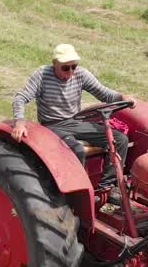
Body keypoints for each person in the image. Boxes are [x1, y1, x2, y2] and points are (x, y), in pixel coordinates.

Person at [11, 43, 132, 195]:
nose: (70, 72)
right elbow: (20, 98)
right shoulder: (42, 75)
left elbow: (104, 94)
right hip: (52, 125)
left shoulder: (80, 74)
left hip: (75, 122)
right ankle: (75, 193)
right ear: (54, 63)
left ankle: (106, 187)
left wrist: (122, 97)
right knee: (76, 150)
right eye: (65, 68)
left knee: (120, 139)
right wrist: (20, 122)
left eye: (73, 66)